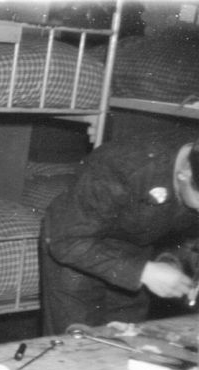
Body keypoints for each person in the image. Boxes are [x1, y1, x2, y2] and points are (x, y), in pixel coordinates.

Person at [40, 130, 199, 335]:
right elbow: (66, 239)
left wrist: (174, 262)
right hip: (77, 245)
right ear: (185, 172)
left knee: (129, 337)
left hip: (137, 247)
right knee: (77, 340)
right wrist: (142, 272)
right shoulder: (122, 164)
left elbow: (186, 238)